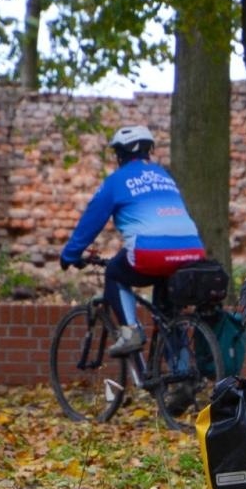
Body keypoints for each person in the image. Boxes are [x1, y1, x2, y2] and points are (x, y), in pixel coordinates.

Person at [59, 125, 207, 361]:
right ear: (149, 150)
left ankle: (130, 332)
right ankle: (182, 372)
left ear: (119, 154)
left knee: (114, 273)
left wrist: (70, 255)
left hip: (152, 251)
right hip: (191, 250)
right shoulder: (165, 176)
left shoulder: (116, 181)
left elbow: (91, 221)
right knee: (168, 314)